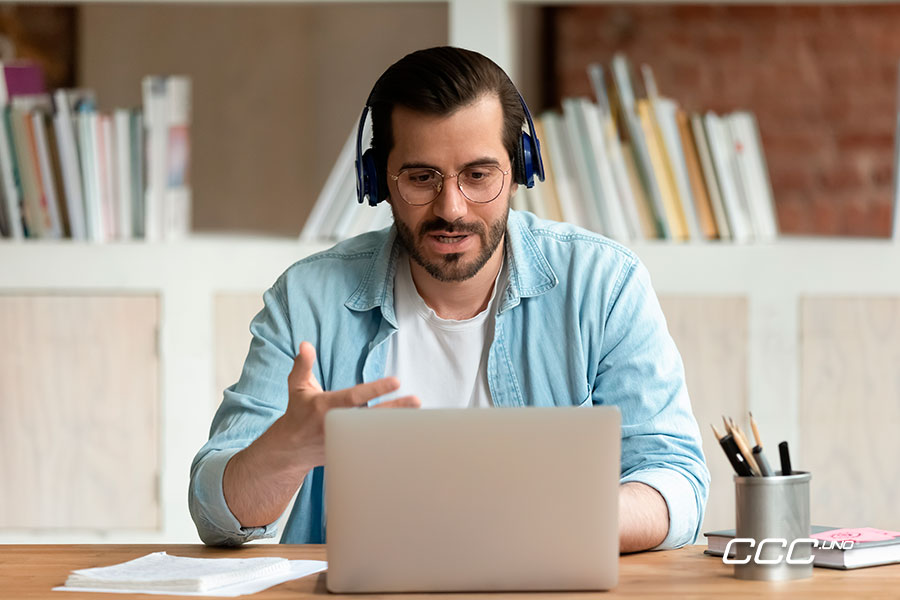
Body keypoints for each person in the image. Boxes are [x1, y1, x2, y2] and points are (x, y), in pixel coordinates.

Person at [189, 46, 709, 553]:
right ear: (378, 182)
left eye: (478, 175)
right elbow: (216, 512)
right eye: (421, 177)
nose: (451, 208)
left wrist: (552, 522)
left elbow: (676, 483)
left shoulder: (604, 284)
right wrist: (285, 452)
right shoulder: (307, 298)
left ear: (521, 170)